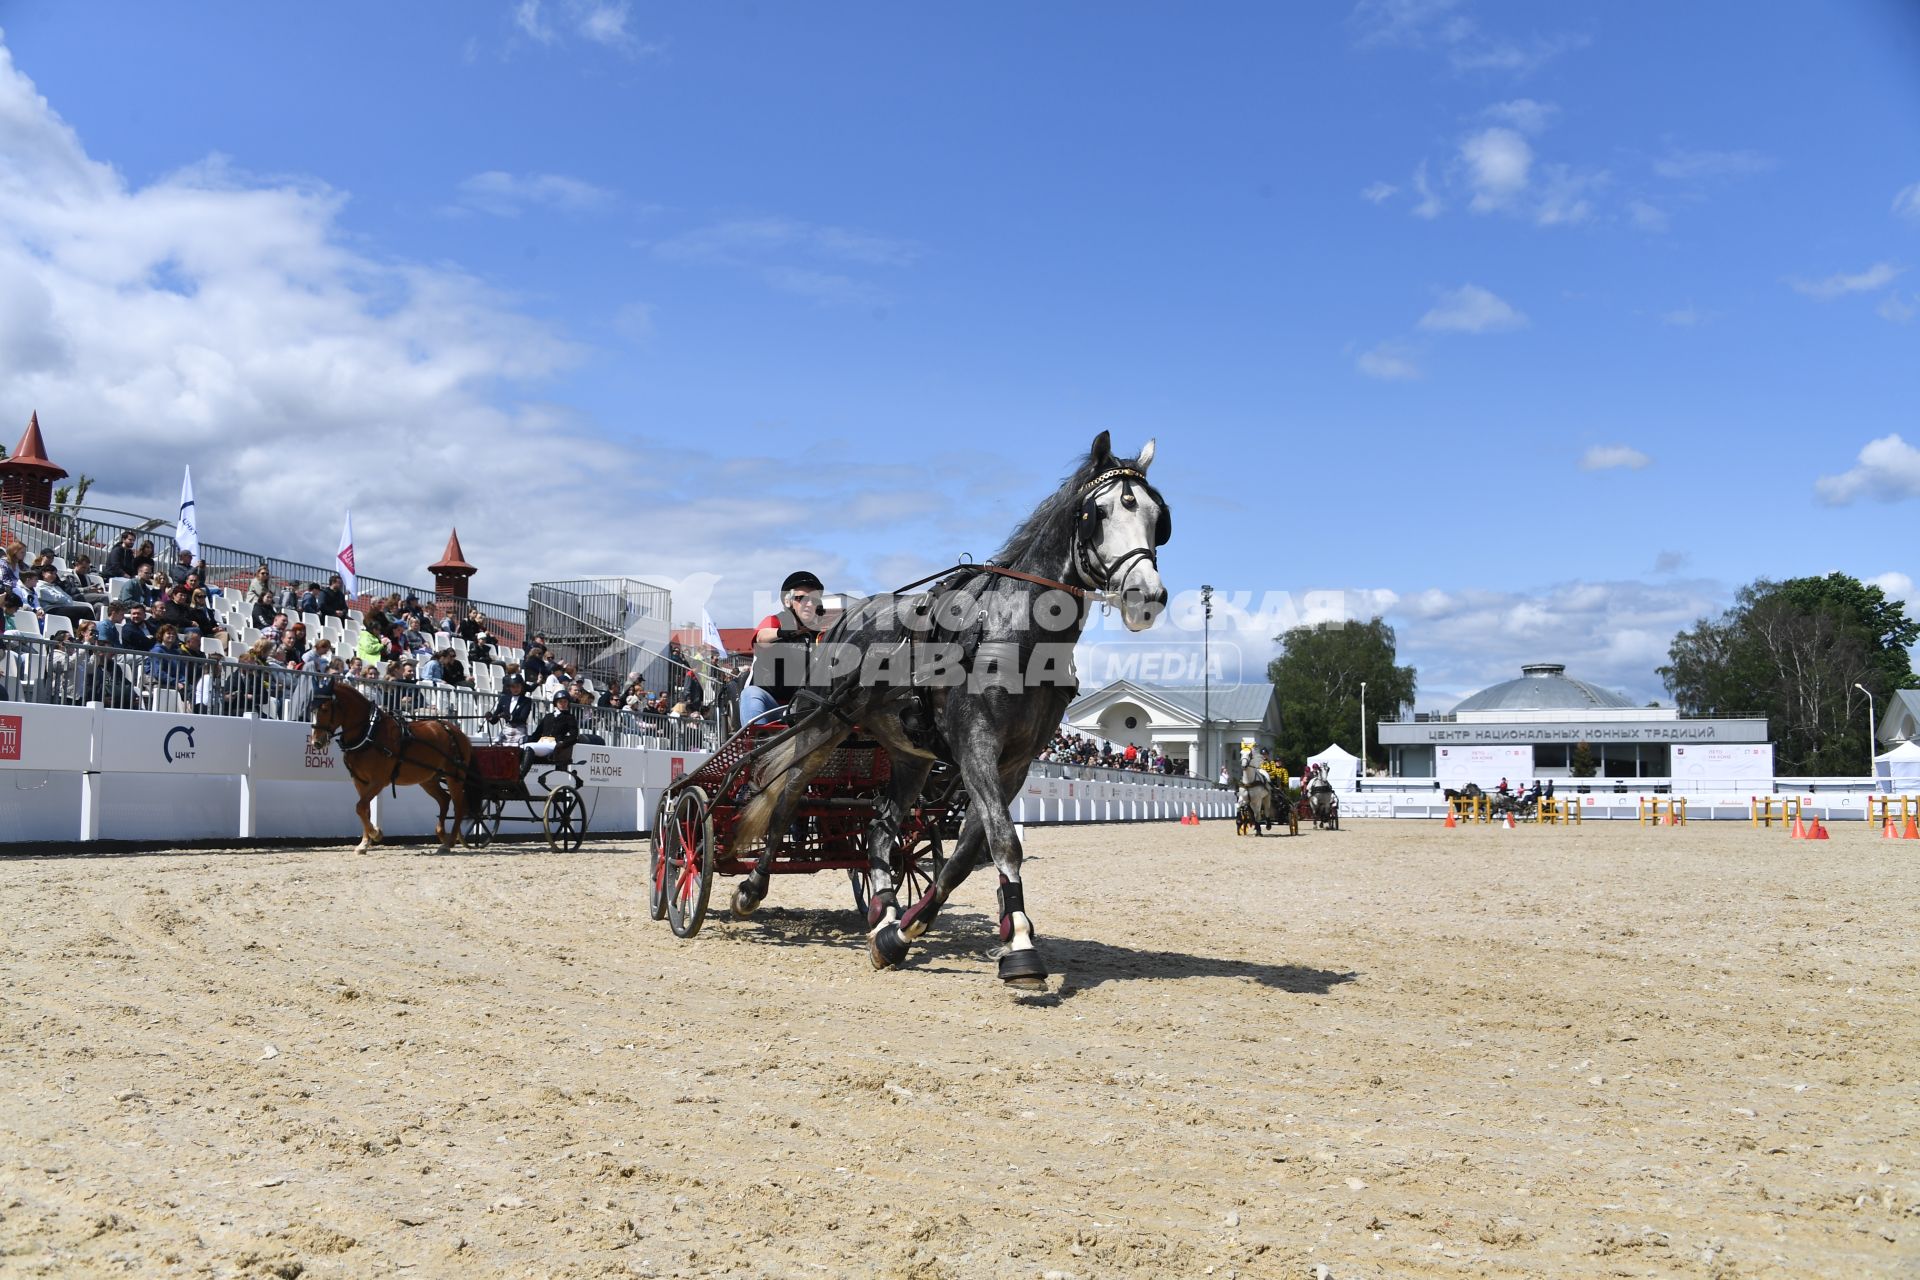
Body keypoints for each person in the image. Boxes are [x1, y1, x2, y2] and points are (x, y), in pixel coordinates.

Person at [740, 570, 828, 727]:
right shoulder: (775, 621)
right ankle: (756, 744)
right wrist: (789, 633)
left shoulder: (819, 635)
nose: (809, 604)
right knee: (751, 694)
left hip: (802, 707)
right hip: (771, 704)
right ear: (788, 601)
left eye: (814, 600)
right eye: (803, 599)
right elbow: (761, 638)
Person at [522, 689, 578, 768]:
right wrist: (527, 739)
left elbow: (574, 735)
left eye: (565, 702)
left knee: (529, 747)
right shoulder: (548, 716)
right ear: (556, 703)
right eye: (560, 702)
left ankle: (521, 775)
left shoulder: (569, 718)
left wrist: (563, 743)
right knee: (521, 747)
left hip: (553, 745)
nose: (563, 704)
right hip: (541, 742)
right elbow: (537, 733)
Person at [487, 674, 535, 743]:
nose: (516, 689)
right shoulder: (503, 699)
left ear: (521, 686)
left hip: (519, 731)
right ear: (509, 687)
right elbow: (495, 719)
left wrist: (510, 717)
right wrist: (490, 717)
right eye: (513, 687)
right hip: (507, 730)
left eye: (518, 686)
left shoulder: (526, 701)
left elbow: (523, 718)